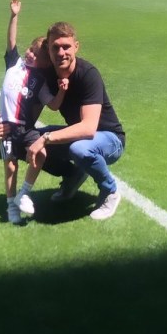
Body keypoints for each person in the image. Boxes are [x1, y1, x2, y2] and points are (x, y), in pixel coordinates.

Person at [26, 21, 125, 221]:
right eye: (55, 47)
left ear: (76, 47)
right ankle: (74, 175)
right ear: (49, 50)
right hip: (80, 137)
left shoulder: (88, 74)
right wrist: (6, 125)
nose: (61, 52)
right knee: (27, 139)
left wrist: (46, 138)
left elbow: (89, 129)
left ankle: (110, 191)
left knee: (79, 149)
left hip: (110, 139)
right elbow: (29, 116)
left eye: (66, 47)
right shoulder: (49, 76)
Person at [0, 0, 68, 225]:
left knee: (41, 154)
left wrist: (62, 91)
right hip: (7, 126)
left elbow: (53, 105)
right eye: (30, 49)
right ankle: (10, 205)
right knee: (10, 164)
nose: (30, 55)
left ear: (43, 64)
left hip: (26, 128)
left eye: (36, 55)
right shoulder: (14, 63)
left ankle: (23, 193)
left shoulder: (39, 81)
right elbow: (11, 40)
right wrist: (14, 15)